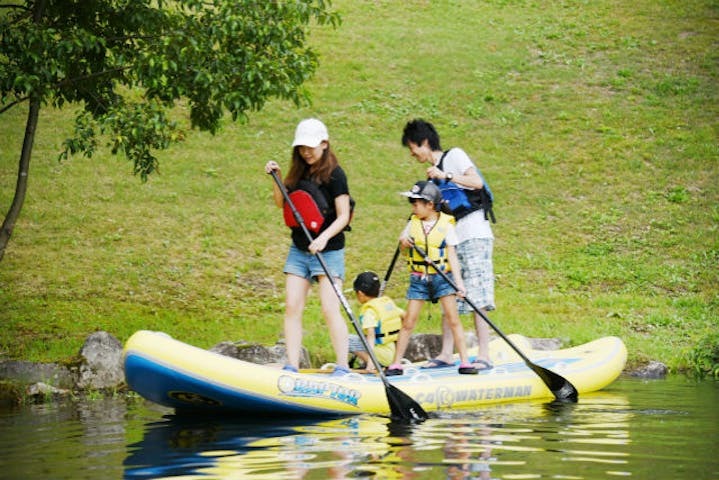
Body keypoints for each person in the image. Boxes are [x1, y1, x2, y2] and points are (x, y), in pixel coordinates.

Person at [401, 119, 495, 371]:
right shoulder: (432, 175)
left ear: (424, 142)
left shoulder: (454, 156)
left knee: (477, 296)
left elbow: (477, 182)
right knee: (448, 292)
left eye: (413, 147)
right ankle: (445, 353)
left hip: (474, 233)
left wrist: (446, 175)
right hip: (452, 239)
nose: (412, 153)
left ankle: (484, 354)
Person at [264, 118, 351, 376]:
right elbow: (282, 203)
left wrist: (324, 238)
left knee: (329, 308)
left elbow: (343, 215)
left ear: (324, 144)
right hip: (299, 250)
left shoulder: (336, 174)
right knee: (292, 305)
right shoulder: (298, 173)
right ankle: (292, 364)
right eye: (301, 147)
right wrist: (277, 177)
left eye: (310, 147)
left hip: (330, 251)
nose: (306, 152)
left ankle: (343, 366)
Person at [385, 180, 477, 376]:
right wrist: (404, 243)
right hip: (419, 279)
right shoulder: (413, 223)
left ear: (430, 205)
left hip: (443, 278)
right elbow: (402, 248)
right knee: (409, 321)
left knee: (453, 319)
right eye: (412, 203)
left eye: (416, 203)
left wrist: (459, 284)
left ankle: (464, 361)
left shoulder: (446, 226)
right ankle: (396, 364)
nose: (413, 207)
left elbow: (452, 255)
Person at [348, 271, 405, 372]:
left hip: (380, 356)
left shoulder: (369, 311)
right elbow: (405, 316)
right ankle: (375, 362)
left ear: (360, 293)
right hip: (392, 352)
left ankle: (373, 364)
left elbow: (371, 336)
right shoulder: (386, 305)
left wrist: (370, 361)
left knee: (347, 339)